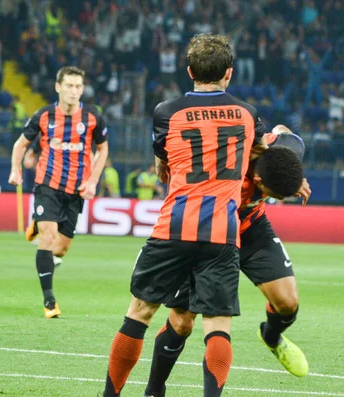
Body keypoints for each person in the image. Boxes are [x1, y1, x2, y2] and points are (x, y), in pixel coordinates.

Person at [102, 34, 268, 397]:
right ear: (229, 73)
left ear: (190, 71)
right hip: (222, 232)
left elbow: (163, 161)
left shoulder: (167, 112)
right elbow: (266, 152)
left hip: (172, 227)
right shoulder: (247, 115)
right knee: (217, 325)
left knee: (140, 312)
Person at [143, 131, 311, 397]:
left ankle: (270, 336)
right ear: (257, 179)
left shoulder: (276, 147)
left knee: (288, 302)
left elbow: (283, 131)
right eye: (273, 194)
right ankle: (153, 390)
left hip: (252, 228)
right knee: (183, 321)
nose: (276, 199)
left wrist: (292, 175)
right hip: (210, 230)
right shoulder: (230, 161)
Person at [8, 66, 109, 319]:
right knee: (48, 238)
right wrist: (15, 170)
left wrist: (93, 181)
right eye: (69, 86)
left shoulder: (93, 117)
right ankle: (49, 302)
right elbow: (21, 144)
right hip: (48, 185)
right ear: (58, 87)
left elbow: (103, 149)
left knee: (61, 249)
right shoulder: (44, 115)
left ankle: (35, 225)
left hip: (76, 190)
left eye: (78, 87)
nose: (74, 91)